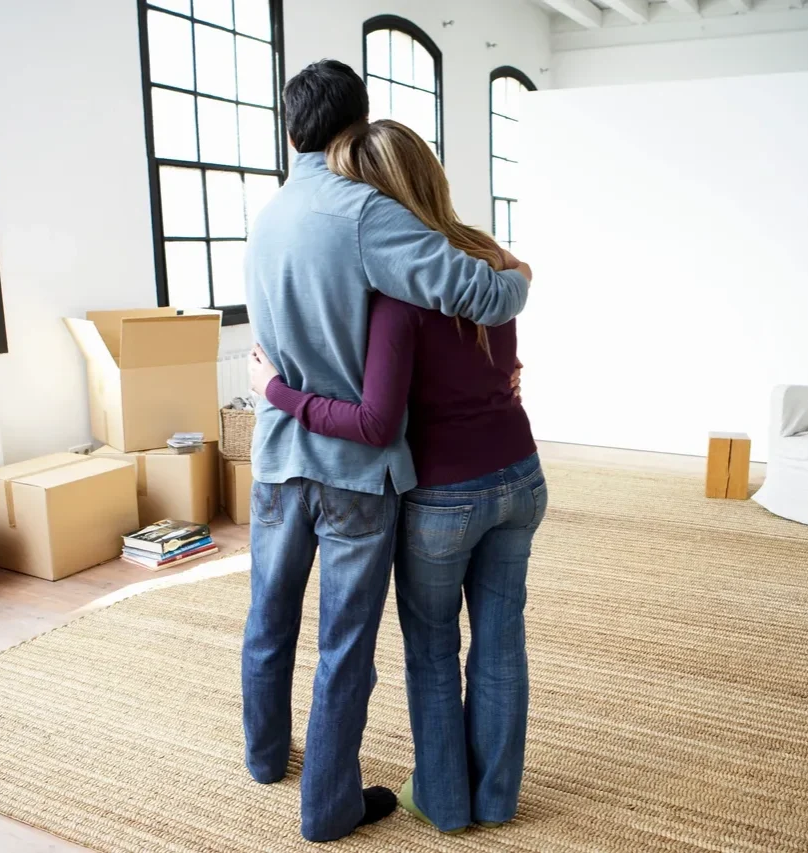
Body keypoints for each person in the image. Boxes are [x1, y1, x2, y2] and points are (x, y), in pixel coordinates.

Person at [242, 61, 532, 844]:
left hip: (276, 454)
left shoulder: (265, 213)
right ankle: (329, 804)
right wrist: (517, 280)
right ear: (353, 128)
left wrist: (272, 388)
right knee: (346, 647)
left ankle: (266, 756)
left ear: (292, 127)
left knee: (267, 618)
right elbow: (483, 295)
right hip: (354, 471)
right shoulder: (365, 214)